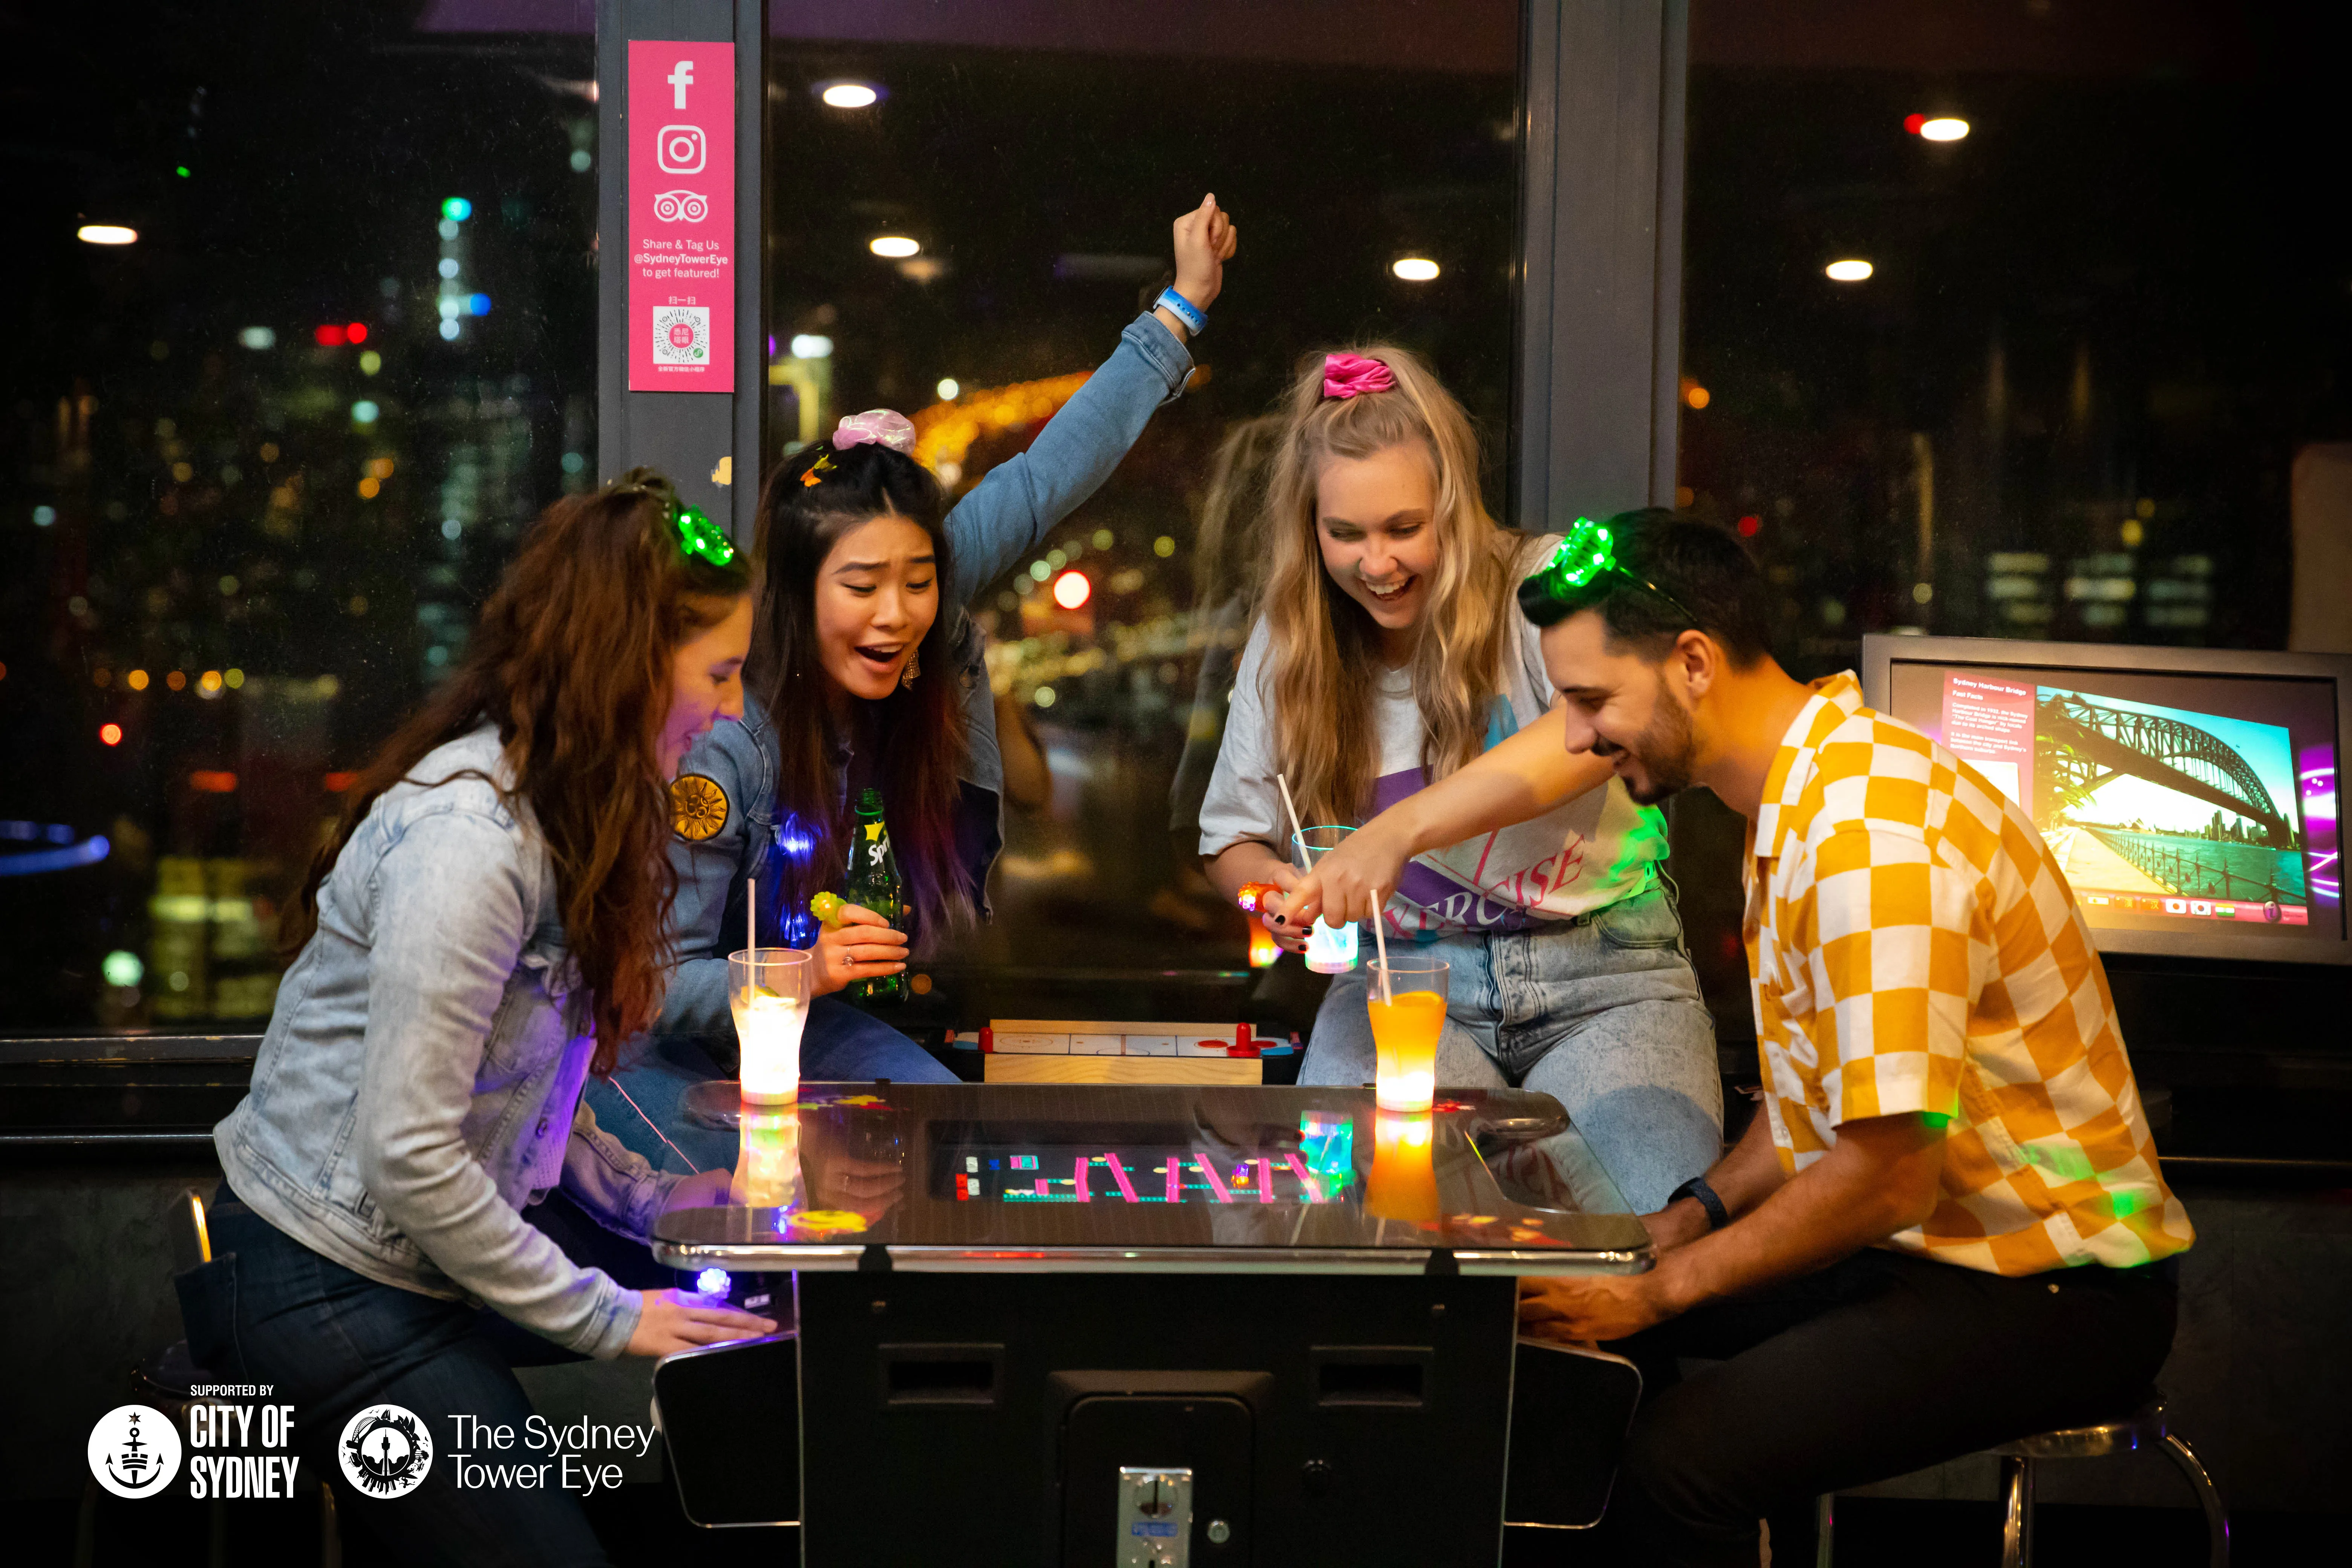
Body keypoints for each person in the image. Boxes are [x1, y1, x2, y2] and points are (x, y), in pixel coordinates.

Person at [1354, 508, 2193, 1565]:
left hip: (2052, 1290)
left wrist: (1657, 1288)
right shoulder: (1801, 801)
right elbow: (1814, 1104)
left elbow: (1885, 1173)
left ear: (1694, 664)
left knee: (1675, 1459)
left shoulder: (1868, 842)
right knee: (1577, 1342)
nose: (1573, 737)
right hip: (1931, 1241)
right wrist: (1683, 1222)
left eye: (1591, 699)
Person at [176, 472, 778, 1566]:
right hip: (323, 1283)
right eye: (722, 674)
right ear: (634, 667)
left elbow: (530, 1095)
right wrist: (613, 1316)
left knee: (764, 1317)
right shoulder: (470, 844)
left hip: (416, 1265)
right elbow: (410, 1154)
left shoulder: (578, 820)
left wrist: (660, 1205)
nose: (736, 709)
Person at [592, 194, 1238, 1171]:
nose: (896, 614)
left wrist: (1181, 310)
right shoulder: (731, 729)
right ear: (802, 595)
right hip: (663, 1047)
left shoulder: (923, 607)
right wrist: (796, 972)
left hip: (817, 1025)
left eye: (919, 581)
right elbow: (642, 984)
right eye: (861, 587)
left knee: (939, 1143)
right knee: (780, 1180)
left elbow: (1046, 473)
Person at [1202, 346, 1722, 1212]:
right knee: (1377, 1223)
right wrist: (1269, 895)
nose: (1377, 563)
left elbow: (1591, 732)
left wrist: (1396, 832)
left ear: (1454, 502)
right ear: (1309, 527)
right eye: (1346, 534)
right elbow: (1234, 839)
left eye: (1404, 528)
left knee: (1637, 1226)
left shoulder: (1542, 583)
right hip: (1399, 983)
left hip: (1605, 974)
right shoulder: (1288, 645)